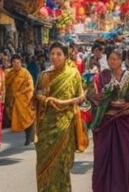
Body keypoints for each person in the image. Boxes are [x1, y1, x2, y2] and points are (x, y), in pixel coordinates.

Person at [35, 42, 87, 192]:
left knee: (61, 165)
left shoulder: (73, 74)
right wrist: (46, 99)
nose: (55, 57)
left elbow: (81, 96)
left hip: (65, 124)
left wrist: (64, 102)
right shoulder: (44, 75)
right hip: (46, 127)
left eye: (59, 54)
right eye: (52, 54)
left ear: (65, 56)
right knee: (43, 165)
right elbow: (37, 94)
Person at [88, 46, 129, 192]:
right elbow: (93, 96)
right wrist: (102, 99)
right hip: (106, 123)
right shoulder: (101, 77)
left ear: (121, 61)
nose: (112, 62)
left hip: (124, 123)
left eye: (116, 59)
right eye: (110, 58)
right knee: (102, 157)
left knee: (124, 158)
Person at [5, 54, 36, 145]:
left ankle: (28, 136)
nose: (16, 64)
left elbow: (30, 86)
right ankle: (29, 136)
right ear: (11, 63)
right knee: (19, 119)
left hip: (24, 100)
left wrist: (20, 94)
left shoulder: (25, 73)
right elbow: (6, 85)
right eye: (14, 62)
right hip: (14, 100)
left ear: (21, 63)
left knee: (26, 118)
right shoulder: (9, 73)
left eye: (18, 62)